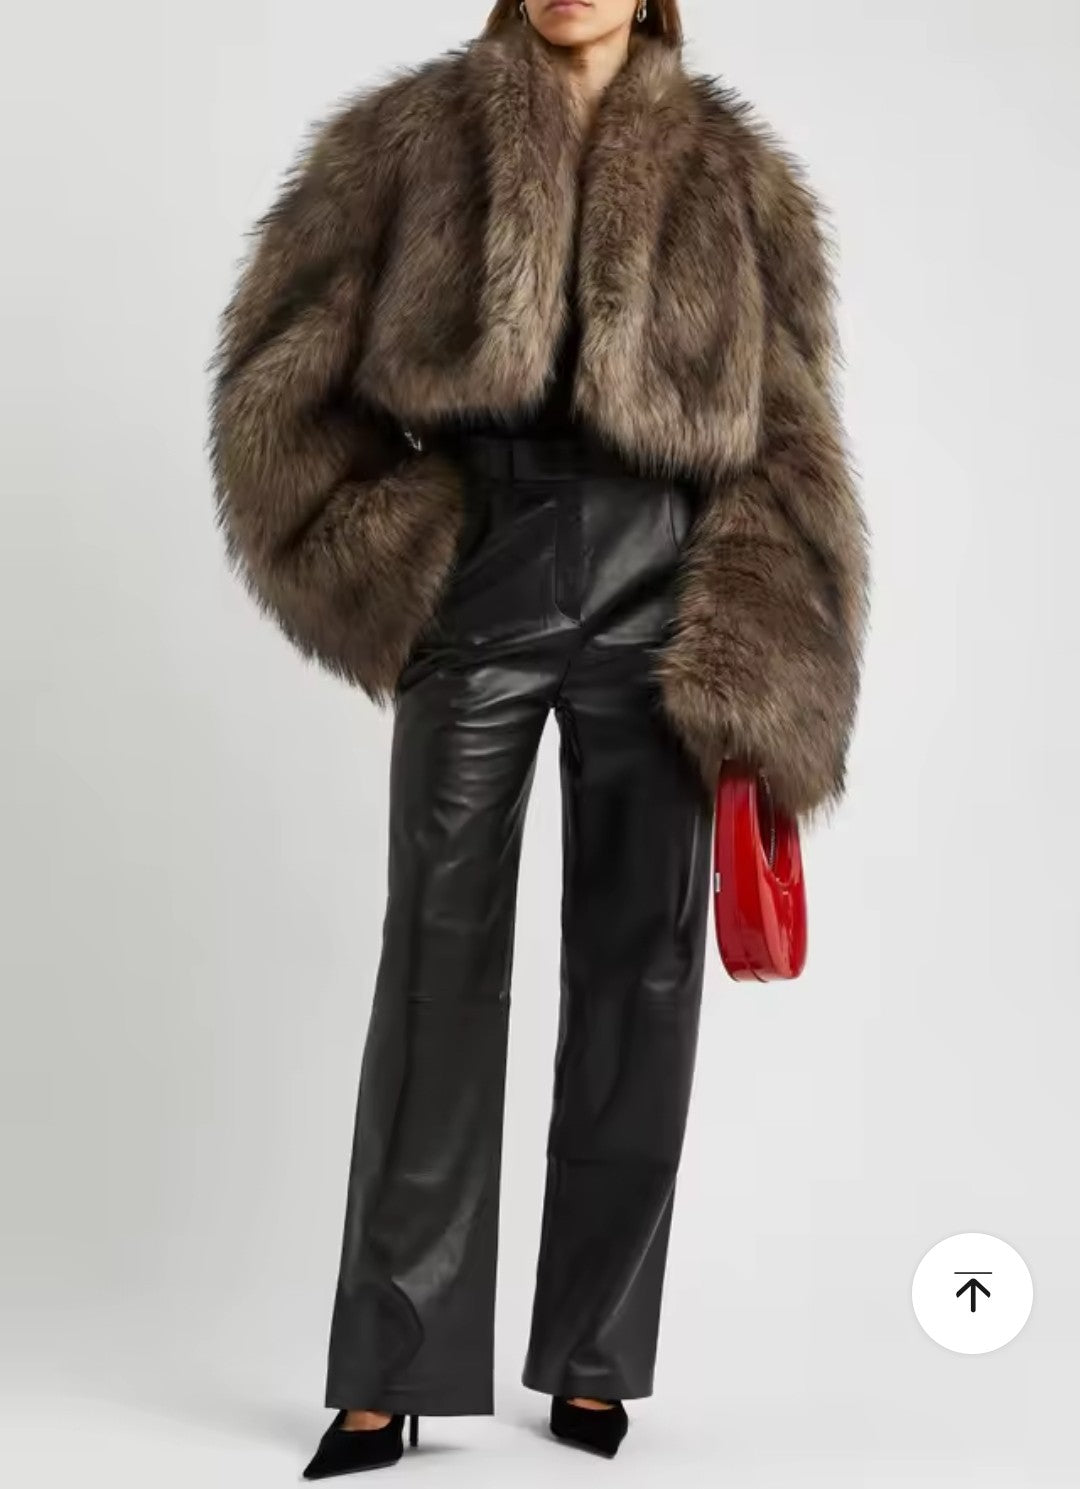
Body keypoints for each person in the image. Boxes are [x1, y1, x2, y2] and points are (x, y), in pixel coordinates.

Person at [208, 0, 870, 1472]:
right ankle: (387, 1370)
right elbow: (276, 380)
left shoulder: (738, 176)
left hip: (667, 589)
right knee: (436, 962)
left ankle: (592, 1357)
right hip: (484, 568)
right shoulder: (405, 140)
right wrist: (397, 549)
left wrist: (764, 648)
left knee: (642, 976)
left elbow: (792, 440)